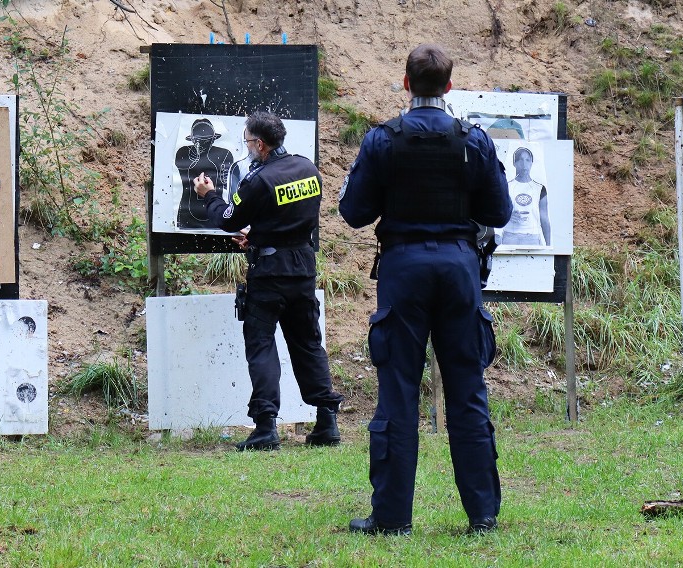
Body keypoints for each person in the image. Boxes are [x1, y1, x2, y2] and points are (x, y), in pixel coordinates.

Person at [339, 44, 512, 535]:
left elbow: (353, 213)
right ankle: (483, 515)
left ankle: (392, 518)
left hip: (403, 269)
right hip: (459, 269)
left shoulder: (383, 139)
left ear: (405, 82)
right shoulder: (471, 140)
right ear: (449, 86)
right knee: (467, 390)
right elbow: (498, 213)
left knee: (397, 393)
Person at [193, 110, 344, 451]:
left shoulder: (259, 181)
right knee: (307, 343)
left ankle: (265, 426)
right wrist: (260, 235)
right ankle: (326, 420)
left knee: (261, 345)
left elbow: (229, 220)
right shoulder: (308, 168)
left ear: (260, 144)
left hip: (270, 273)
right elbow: (291, 217)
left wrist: (209, 196)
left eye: (247, 141)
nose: (245, 147)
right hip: (303, 265)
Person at [175, 118, 234, 230]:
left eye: (205, 140)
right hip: (188, 212)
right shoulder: (183, 152)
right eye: (198, 141)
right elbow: (181, 167)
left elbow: (226, 181)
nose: (201, 144)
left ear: (212, 140)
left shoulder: (224, 154)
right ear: (192, 140)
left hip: (216, 211)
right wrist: (195, 159)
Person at [500, 147, 551, 247]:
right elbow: (498, 211)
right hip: (510, 237)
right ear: (514, 163)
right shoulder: (506, 186)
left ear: (531, 163)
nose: (524, 164)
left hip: (532, 238)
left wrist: (548, 246)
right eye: (520, 160)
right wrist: (508, 216)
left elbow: (544, 217)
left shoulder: (539, 188)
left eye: (527, 160)